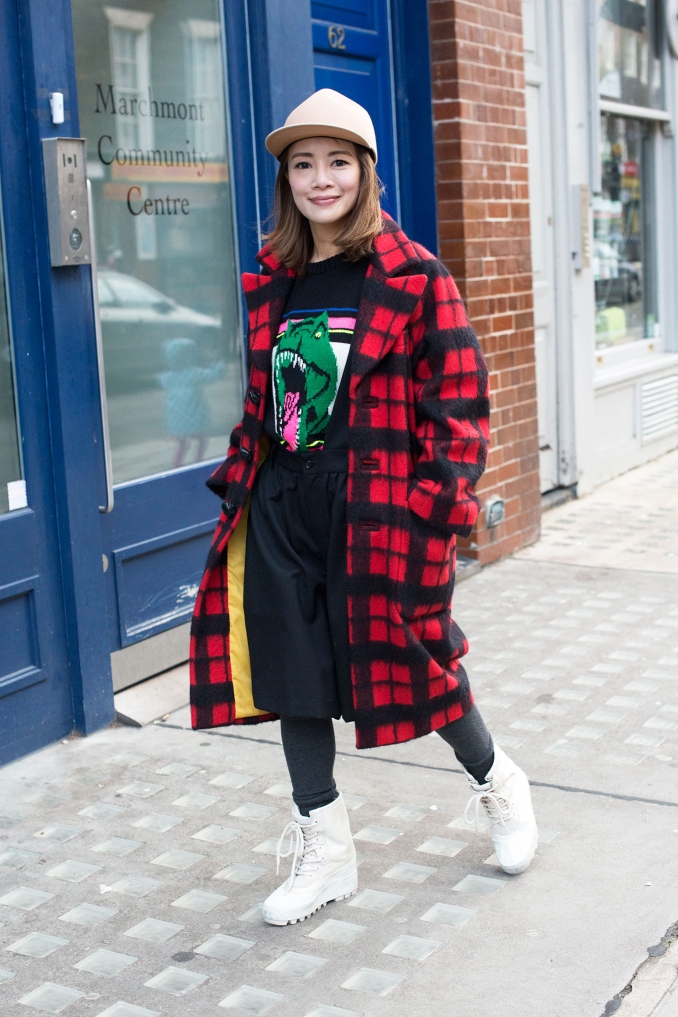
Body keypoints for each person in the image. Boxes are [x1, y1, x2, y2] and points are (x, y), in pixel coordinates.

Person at [190, 89, 538, 927]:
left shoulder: (417, 277)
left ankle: (499, 781)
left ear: (366, 172)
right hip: (283, 500)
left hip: (378, 508)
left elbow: (461, 411)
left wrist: (433, 516)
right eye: (303, 164)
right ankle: (328, 849)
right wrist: (244, 477)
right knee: (292, 674)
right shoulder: (275, 278)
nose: (320, 179)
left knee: (420, 662)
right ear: (287, 179)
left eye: (337, 161)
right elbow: (271, 399)